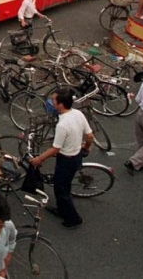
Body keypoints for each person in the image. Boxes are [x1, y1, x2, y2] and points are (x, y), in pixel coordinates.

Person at [29, 88, 93, 229]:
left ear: (61, 104)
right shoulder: (78, 113)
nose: (51, 102)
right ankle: (62, 209)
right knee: (65, 184)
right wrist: (87, 148)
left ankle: (73, 219)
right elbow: (90, 136)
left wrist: (39, 159)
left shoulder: (62, 125)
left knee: (61, 189)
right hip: (77, 156)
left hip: (66, 160)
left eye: (53, 100)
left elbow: (55, 149)